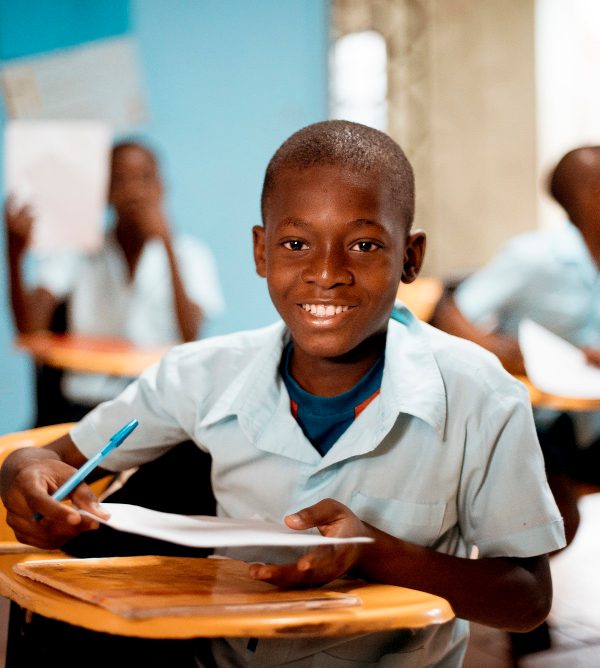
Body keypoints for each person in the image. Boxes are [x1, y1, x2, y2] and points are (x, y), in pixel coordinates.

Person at [0, 121, 565, 667]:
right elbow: (52, 459)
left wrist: (377, 553)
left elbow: (527, 599)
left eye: (364, 245)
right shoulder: (202, 374)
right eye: (296, 243)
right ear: (261, 251)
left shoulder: (480, 395)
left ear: (411, 257)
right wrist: (23, 470)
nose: (327, 272)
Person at [431, 145, 600, 551]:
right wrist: (499, 349)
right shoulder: (534, 258)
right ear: (579, 197)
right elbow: (450, 314)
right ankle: (525, 596)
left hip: (593, 416)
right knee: (556, 516)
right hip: (541, 420)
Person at [5, 139, 224, 424]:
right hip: (83, 407)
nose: (134, 191)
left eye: (145, 179)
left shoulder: (191, 254)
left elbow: (191, 333)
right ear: (105, 193)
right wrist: (14, 253)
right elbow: (30, 330)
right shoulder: (77, 250)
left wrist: (167, 244)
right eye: (121, 180)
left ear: (161, 187)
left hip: (157, 408)